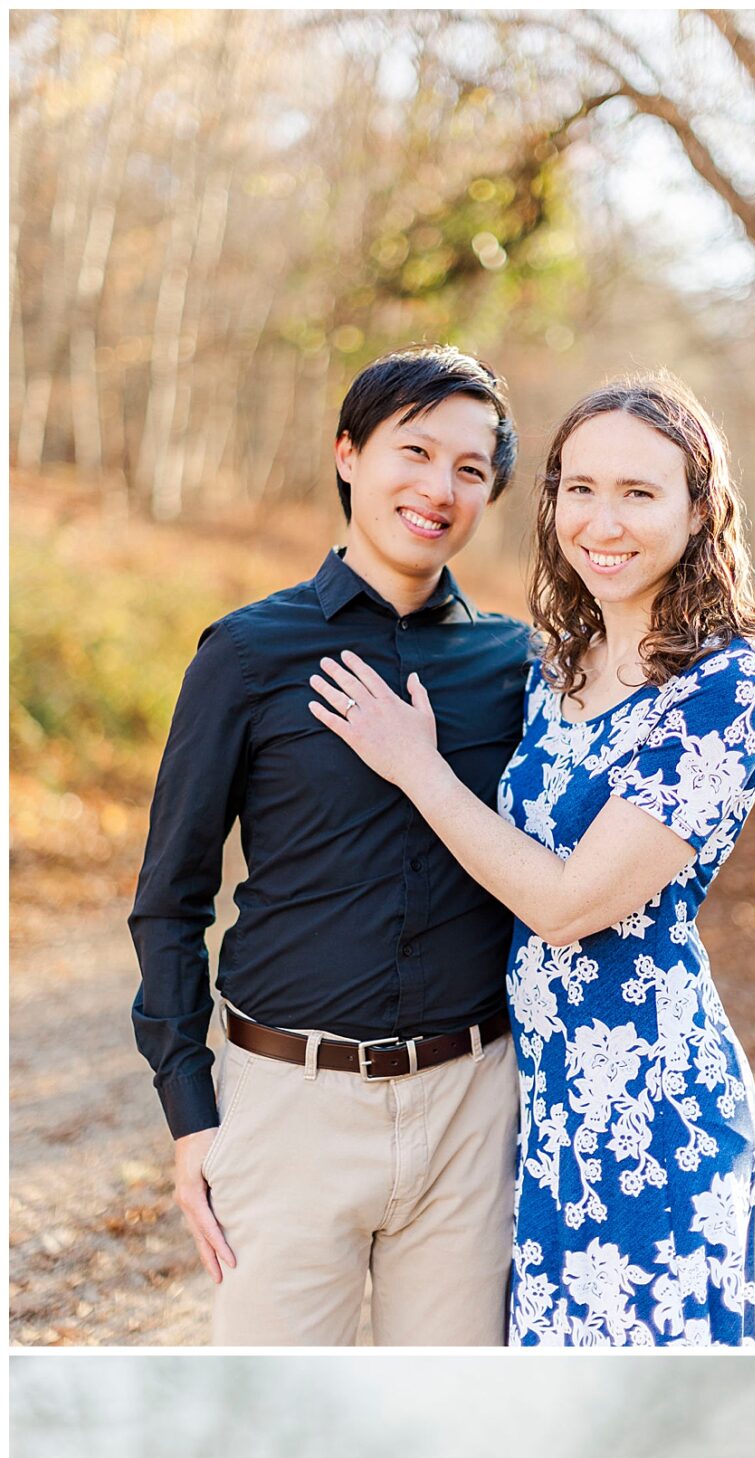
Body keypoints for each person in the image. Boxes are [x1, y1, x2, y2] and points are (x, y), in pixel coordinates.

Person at [309, 373, 755, 1347]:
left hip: (651, 1103)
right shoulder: (551, 662)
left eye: (639, 493)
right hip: (536, 1097)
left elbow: (568, 904)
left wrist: (415, 765)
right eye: (580, 488)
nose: (600, 521)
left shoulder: (728, 688)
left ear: (699, 512)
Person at [129, 344, 534, 1347]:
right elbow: (171, 899)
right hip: (288, 1105)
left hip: (470, 1105)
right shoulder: (246, 653)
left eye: (470, 470)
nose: (439, 488)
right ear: (349, 453)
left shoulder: (516, 666)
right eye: (416, 451)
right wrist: (192, 1113)